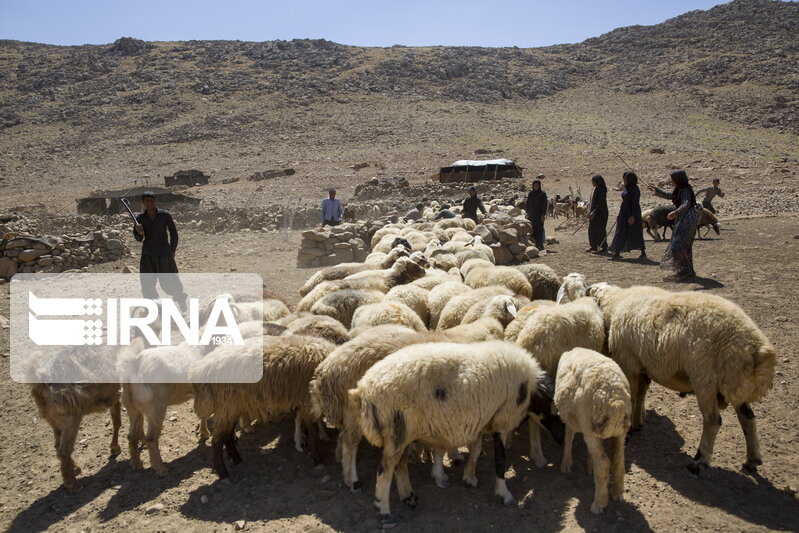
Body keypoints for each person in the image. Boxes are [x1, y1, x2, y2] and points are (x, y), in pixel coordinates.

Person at [133, 191, 188, 307]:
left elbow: (174, 233)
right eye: (147, 201)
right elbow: (139, 238)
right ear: (143, 203)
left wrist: (173, 249)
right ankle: (153, 306)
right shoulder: (140, 219)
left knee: (170, 279)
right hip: (148, 254)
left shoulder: (165, 215)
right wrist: (138, 231)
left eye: (152, 200)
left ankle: (180, 300)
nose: (150, 203)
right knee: (147, 282)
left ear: (155, 201)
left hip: (164, 252)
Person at [648, 170, 699, 279]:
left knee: (678, 245)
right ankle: (686, 271)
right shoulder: (680, 189)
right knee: (682, 245)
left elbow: (686, 203)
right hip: (683, 219)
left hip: (688, 219)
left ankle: (684, 271)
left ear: (678, 179)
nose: (671, 181)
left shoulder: (685, 190)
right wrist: (657, 190)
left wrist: (676, 212)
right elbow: (671, 196)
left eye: (672, 179)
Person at [609, 172, 646, 260]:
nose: (624, 181)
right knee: (620, 231)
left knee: (636, 232)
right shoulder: (627, 188)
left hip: (633, 212)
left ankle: (643, 252)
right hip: (624, 212)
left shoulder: (635, 189)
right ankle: (617, 252)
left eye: (626, 179)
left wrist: (633, 216)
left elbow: (635, 203)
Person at [586, 174, 609, 253]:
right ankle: (593, 246)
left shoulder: (602, 190)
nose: (592, 183)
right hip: (594, 212)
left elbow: (600, 204)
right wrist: (590, 211)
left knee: (600, 230)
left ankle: (603, 246)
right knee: (592, 229)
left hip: (601, 213)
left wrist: (594, 212)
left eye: (593, 181)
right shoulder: (596, 189)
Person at [525, 179, 548, 249]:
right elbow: (528, 203)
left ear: (539, 186)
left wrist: (543, 215)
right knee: (533, 229)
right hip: (531, 214)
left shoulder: (542, 194)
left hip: (539, 215)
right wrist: (527, 212)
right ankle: (535, 245)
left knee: (539, 229)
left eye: (537, 185)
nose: (535, 187)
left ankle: (540, 245)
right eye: (534, 185)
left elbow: (545, 205)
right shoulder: (531, 193)